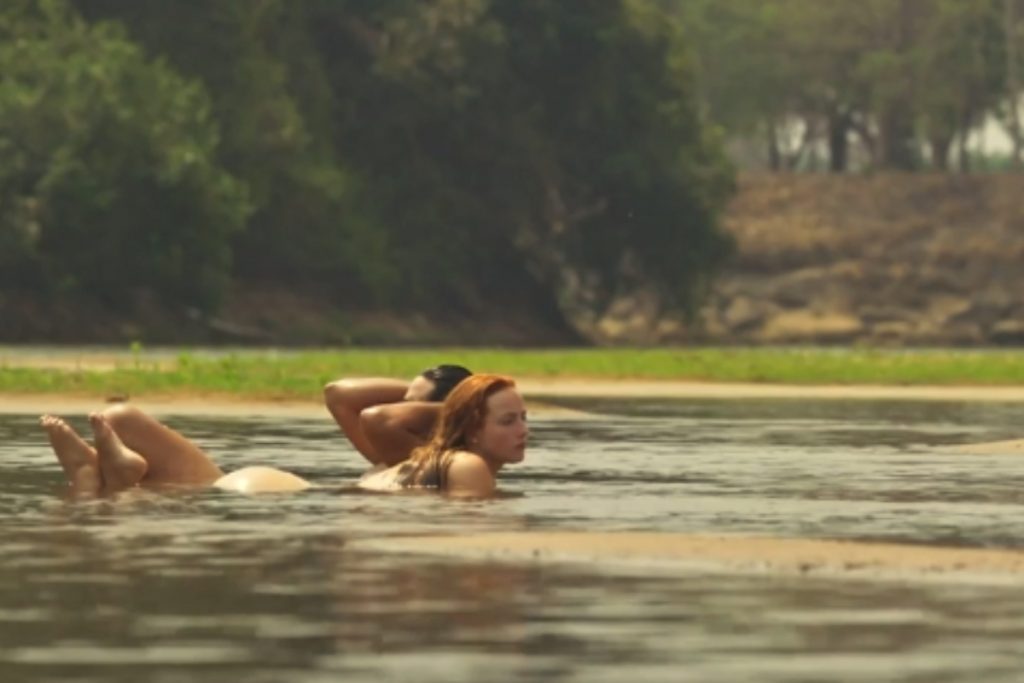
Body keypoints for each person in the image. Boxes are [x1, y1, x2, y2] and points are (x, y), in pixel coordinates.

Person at [40, 373, 527, 499]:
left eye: (523, 418)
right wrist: (461, 406)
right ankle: (108, 477)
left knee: (124, 428)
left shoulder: (415, 462)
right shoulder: (455, 463)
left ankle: (95, 476)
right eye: (508, 420)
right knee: (122, 421)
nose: (525, 430)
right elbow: (353, 402)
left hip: (266, 486)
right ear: (467, 425)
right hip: (276, 493)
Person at [323, 365, 472, 467]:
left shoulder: (439, 464)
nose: (396, 408)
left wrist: (459, 407)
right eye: (403, 403)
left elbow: (378, 418)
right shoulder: (394, 456)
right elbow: (337, 394)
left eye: (411, 404)